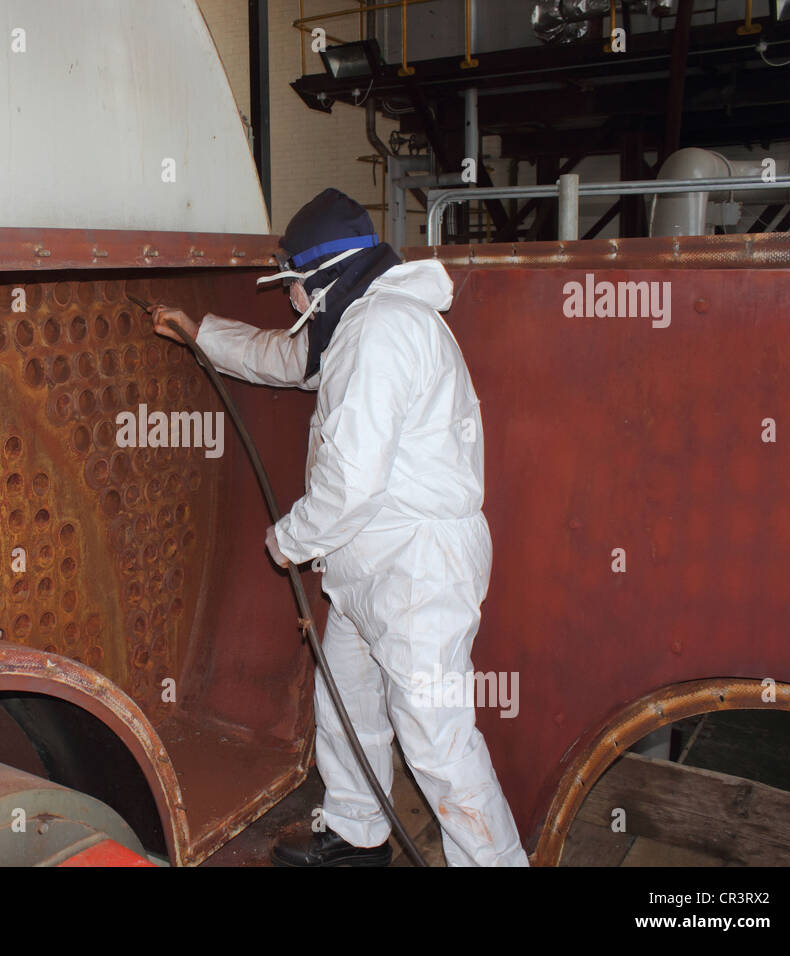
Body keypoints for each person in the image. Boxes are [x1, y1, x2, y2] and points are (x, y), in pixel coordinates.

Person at [150, 188, 528, 867]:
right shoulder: (361, 323)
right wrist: (197, 330)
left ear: (325, 277)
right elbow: (292, 361)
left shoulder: (382, 332)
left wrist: (288, 540)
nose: (293, 301)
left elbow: (351, 481)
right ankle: (358, 831)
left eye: (296, 286)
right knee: (347, 698)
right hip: (372, 559)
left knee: (437, 740)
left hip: (415, 565)